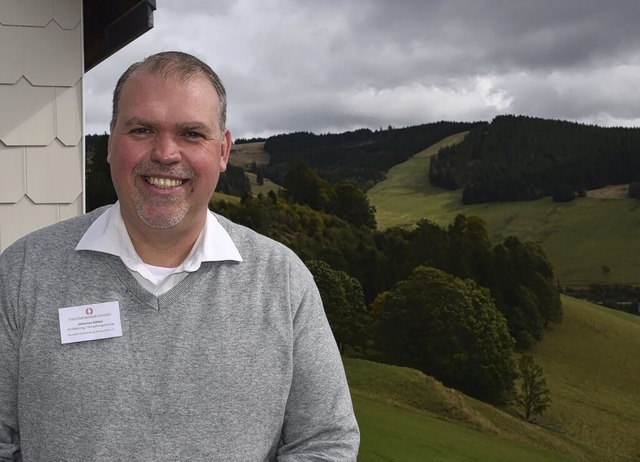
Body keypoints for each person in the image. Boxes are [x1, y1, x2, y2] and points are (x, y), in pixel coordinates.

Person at [0, 51, 359, 461]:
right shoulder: (24, 272)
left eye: (191, 133)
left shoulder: (282, 280)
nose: (166, 153)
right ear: (111, 140)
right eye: (142, 129)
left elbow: (325, 441)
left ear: (223, 150)